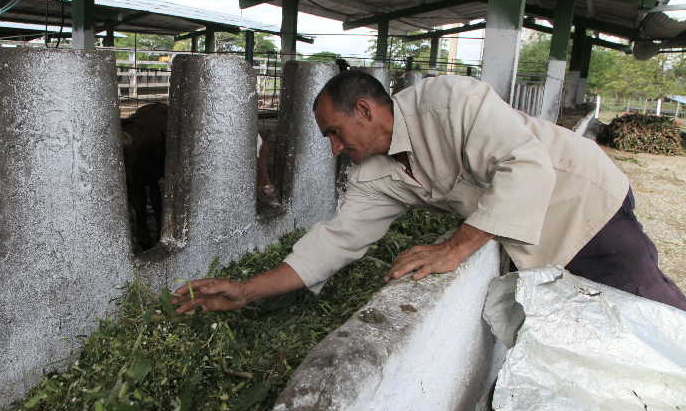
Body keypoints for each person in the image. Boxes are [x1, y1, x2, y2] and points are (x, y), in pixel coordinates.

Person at [174, 72, 686, 313]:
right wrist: (246, 290)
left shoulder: (450, 102)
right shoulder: (374, 174)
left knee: (647, 309)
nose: (332, 148)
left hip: (584, 207)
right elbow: (336, 242)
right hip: (532, 240)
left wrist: (455, 247)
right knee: (593, 324)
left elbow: (526, 166)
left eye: (333, 131)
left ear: (366, 111)